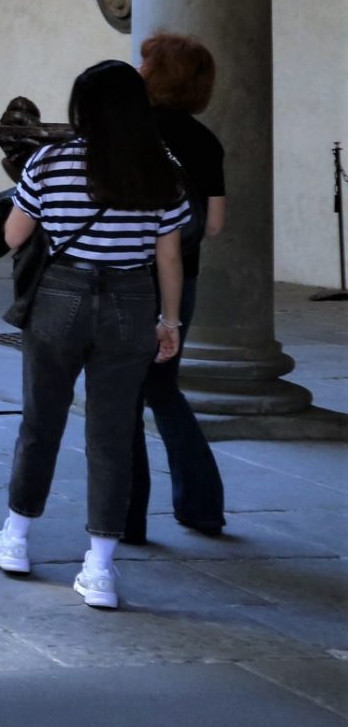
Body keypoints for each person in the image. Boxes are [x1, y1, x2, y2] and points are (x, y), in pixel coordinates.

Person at [0, 60, 189, 610]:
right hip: (131, 301)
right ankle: (99, 568)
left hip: (61, 296)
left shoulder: (50, 161)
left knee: (41, 421)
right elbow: (168, 255)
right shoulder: (162, 170)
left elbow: (12, 236)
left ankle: (16, 539)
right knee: (113, 434)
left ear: (83, 108)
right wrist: (169, 322)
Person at [128, 33, 228, 539]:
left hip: (125, 277)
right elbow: (212, 224)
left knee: (121, 393)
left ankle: (126, 517)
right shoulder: (205, 139)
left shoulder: (129, 131)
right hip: (181, 278)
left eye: (145, 62)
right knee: (165, 391)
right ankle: (202, 505)